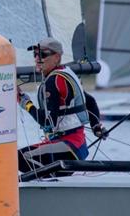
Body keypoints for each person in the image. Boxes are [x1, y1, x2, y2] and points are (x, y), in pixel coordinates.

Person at [17, 37, 107, 174]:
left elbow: (47, 122)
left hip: (68, 147)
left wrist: (25, 102)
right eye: (35, 54)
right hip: (76, 146)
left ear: (57, 57)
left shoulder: (53, 82)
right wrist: (96, 127)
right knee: (28, 159)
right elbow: (91, 102)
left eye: (42, 54)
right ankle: (49, 183)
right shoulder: (67, 73)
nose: (37, 58)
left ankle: (46, 185)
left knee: (18, 158)